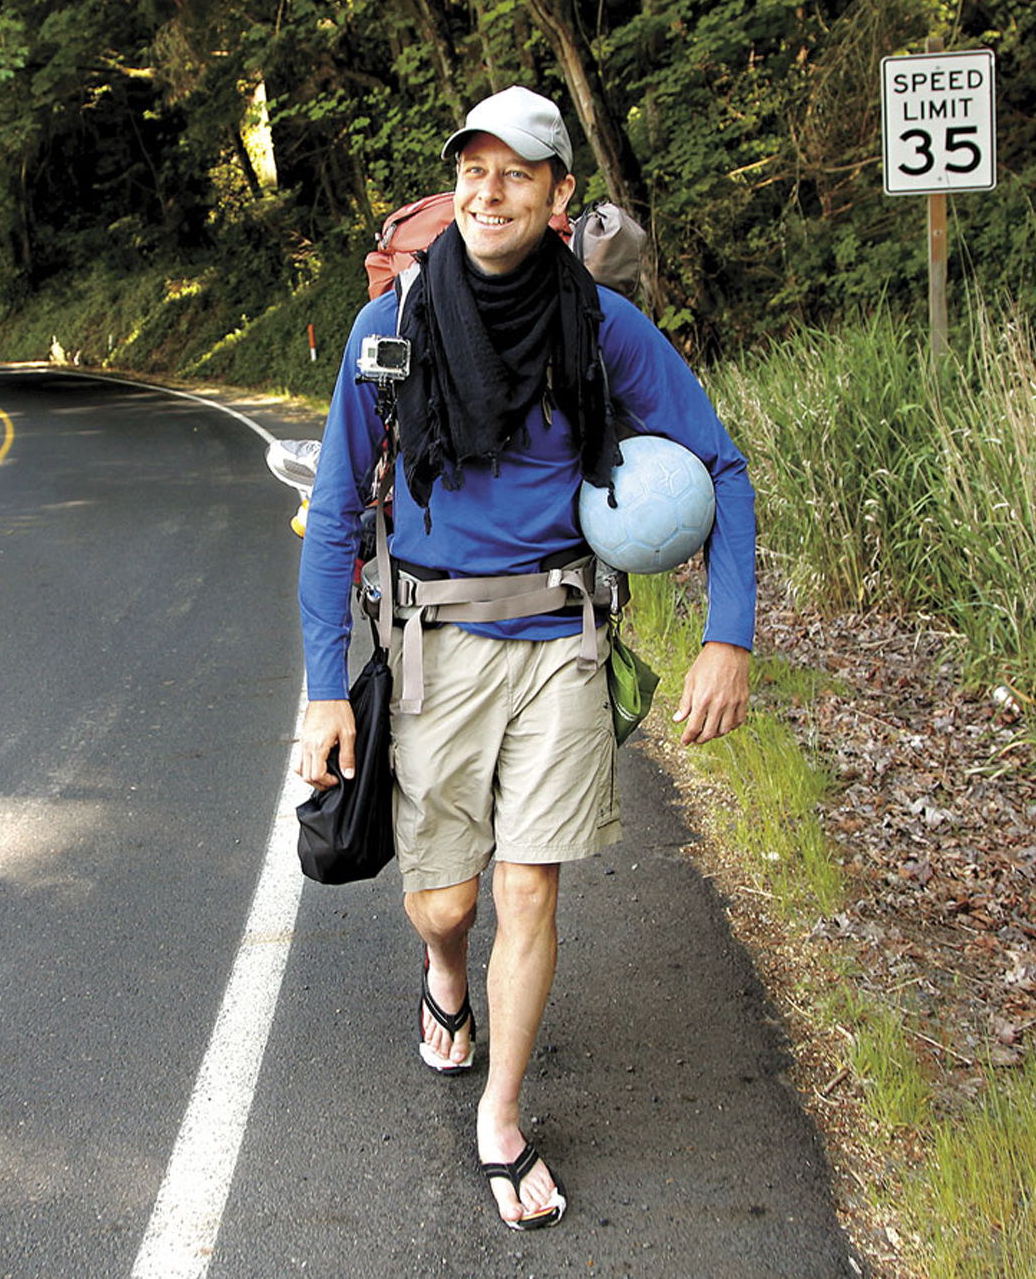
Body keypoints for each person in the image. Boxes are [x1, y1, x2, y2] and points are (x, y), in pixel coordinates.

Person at [296, 85, 756, 1231]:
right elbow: (337, 515)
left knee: (527, 880)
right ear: (452, 185)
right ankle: (445, 980)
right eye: (470, 169)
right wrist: (321, 689)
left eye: (514, 172)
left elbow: (723, 467)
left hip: (560, 637)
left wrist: (726, 634)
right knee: (443, 902)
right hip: (433, 644)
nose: (486, 190)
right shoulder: (390, 329)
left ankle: (499, 1116)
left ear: (559, 196)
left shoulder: (600, 326)